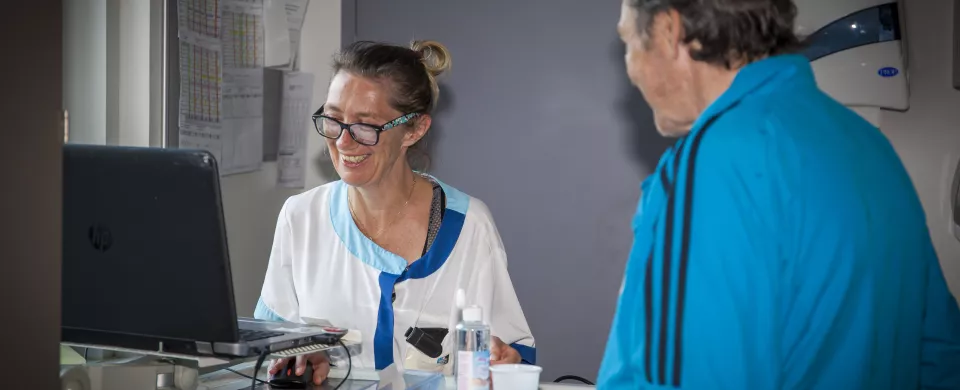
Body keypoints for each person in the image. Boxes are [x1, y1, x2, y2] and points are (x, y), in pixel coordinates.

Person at [599, 0, 960, 389]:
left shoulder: (717, 159)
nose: (631, 70)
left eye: (629, 42)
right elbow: (941, 359)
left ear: (670, 32)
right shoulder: (870, 148)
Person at [254, 40, 535, 385]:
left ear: (414, 129)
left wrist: (504, 359)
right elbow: (270, 347)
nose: (343, 142)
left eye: (365, 126)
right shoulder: (301, 218)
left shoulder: (469, 226)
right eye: (333, 119)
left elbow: (511, 351)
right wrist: (300, 353)